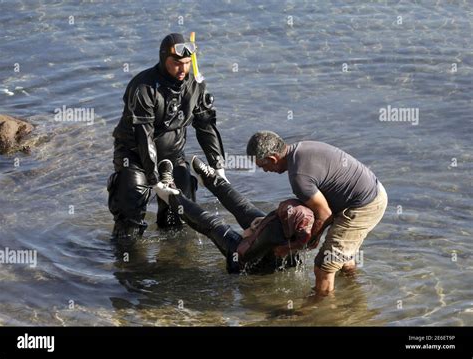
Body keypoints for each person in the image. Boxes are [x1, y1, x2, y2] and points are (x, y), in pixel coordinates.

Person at [107, 33, 228, 244]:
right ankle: (126, 264)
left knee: (181, 217)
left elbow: (205, 125)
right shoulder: (143, 87)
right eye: (176, 64)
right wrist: (154, 180)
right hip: (134, 155)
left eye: (187, 63)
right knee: (130, 213)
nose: (182, 70)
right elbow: (144, 137)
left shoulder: (195, 85)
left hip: (173, 155)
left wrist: (218, 166)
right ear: (164, 60)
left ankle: (174, 265)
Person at [246, 131, 388, 295]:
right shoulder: (302, 149)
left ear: (272, 159)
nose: (264, 171)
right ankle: (352, 291)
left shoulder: (299, 177)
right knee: (342, 255)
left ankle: (318, 311)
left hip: (363, 206)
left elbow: (325, 214)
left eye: (263, 166)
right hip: (371, 191)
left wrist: (300, 244)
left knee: (324, 265)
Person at [153, 157, 318, 274]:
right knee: (246, 209)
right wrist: (260, 223)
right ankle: (212, 180)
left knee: (213, 224)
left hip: (242, 259)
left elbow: (246, 247)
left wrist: (248, 235)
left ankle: (170, 194)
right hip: (267, 248)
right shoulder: (307, 229)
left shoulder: (271, 233)